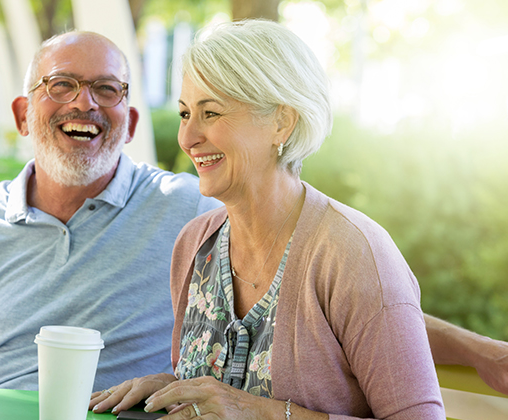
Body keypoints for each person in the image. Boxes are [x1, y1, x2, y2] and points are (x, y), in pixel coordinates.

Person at [92, 19, 448, 419]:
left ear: (282, 121)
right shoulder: (195, 246)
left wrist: (264, 413)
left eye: (210, 113)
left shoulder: (353, 254)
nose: (188, 137)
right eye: (184, 113)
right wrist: (176, 390)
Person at [0, 30, 221, 392]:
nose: (84, 103)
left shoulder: (193, 210)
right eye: (61, 84)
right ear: (22, 116)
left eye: (107, 89)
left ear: (130, 125)